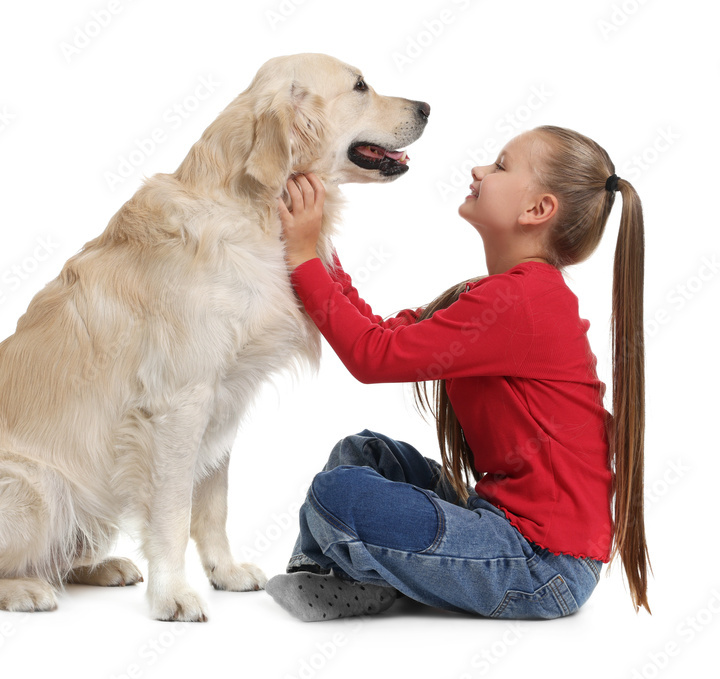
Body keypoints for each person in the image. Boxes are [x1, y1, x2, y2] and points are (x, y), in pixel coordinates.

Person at [265, 126, 649, 621]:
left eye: (501, 165)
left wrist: (299, 257)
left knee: (337, 493)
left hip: (544, 566)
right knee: (362, 453)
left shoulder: (522, 302)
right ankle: (334, 576)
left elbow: (370, 358)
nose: (479, 171)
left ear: (538, 210)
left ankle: (355, 577)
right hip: (502, 527)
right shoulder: (502, 294)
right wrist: (318, 248)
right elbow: (380, 333)